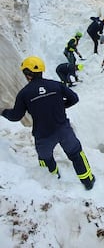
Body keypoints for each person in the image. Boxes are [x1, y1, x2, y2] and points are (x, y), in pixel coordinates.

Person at [0, 56, 95, 190]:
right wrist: (60, 106)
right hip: (63, 129)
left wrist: (3, 112)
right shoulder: (56, 85)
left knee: (46, 158)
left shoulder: (24, 93)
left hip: (43, 135)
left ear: (27, 74)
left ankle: (53, 183)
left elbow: (16, 116)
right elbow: (74, 98)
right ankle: (88, 181)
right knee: (76, 153)